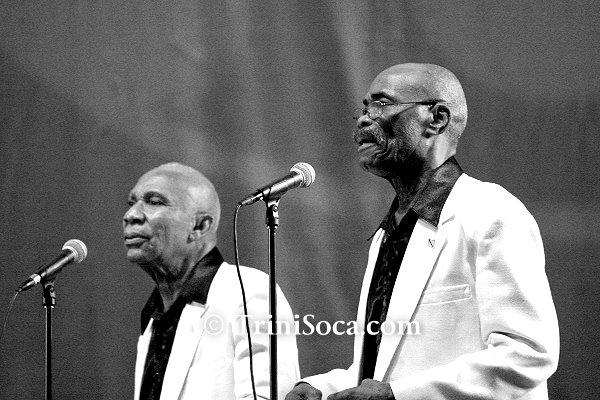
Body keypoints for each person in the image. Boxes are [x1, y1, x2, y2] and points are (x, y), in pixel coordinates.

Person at [285, 63, 559, 400]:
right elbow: (383, 370)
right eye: (364, 108)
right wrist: (320, 387)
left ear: (437, 118)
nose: (363, 120)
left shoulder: (491, 213)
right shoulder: (388, 234)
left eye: (381, 104)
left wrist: (397, 396)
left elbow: (527, 354)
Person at [123, 162, 300, 400]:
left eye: (154, 202)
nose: (131, 215)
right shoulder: (155, 315)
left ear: (200, 225)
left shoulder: (249, 292)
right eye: (132, 203)